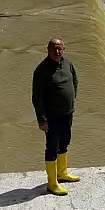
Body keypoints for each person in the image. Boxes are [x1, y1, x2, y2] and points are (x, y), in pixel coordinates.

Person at [32, 37, 80, 196]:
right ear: (48, 50)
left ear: (64, 50)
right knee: (52, 147)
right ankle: (52, 183)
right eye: (54, 49)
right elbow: (36, 97)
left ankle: (62, 173)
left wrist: (72, 99)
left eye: (60, 49)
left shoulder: (67, 63)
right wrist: (41, 119)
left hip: (67, 113)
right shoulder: (41, 70)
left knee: (65, 142)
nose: (57, 52)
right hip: (51, 117)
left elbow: (74, 80)